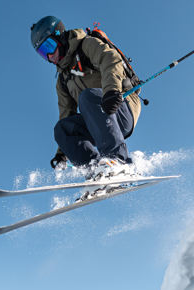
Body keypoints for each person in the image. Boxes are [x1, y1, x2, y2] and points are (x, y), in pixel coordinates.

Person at [30, 16, 142, 181]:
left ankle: (118, 161)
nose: (49, 56)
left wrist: (112, 91)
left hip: (121, 107)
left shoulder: (86, 45)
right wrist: (62, 154)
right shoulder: (63, 80)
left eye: (49, 46)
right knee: (62, 128)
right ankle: (96, 173)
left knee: (87, 97)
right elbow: (66, 114)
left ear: (60, 36)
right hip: (98, 123)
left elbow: (110, 59)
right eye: (42, 53)